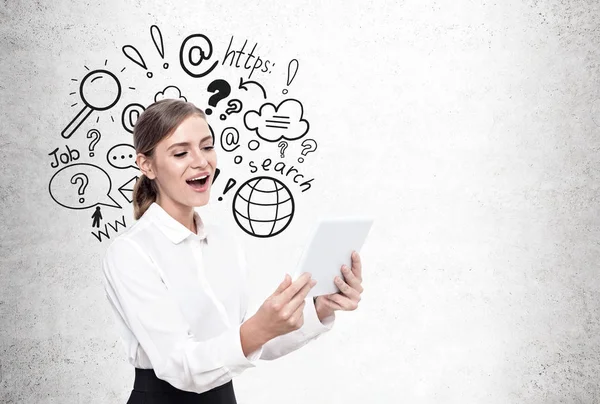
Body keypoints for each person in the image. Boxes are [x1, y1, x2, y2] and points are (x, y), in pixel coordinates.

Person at [101, 99, 365, 403]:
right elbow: (180, 366)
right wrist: (257, 328)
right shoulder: (130, 252)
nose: (201, 162)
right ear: (147, 165)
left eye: (207, 146)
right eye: (181, 152)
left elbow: (252, 344)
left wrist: (321, 306)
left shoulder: (224, 242)